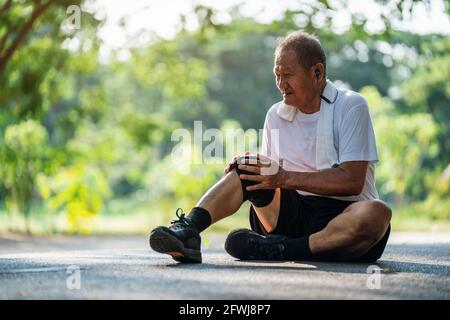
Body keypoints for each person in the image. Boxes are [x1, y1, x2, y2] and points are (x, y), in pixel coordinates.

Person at [149, 31, 392, 264]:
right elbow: (271, 180)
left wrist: (284, 177)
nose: (280, 83)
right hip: (290, 216)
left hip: (344, 217)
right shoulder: (275, 114)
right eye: (276, 74)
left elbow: (352, 180)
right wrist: (256, 167)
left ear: (317, 72)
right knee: (249, 170)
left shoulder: (351, 106)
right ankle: (188, 230)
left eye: (287, 74)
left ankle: (283, 248)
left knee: (377, 213)